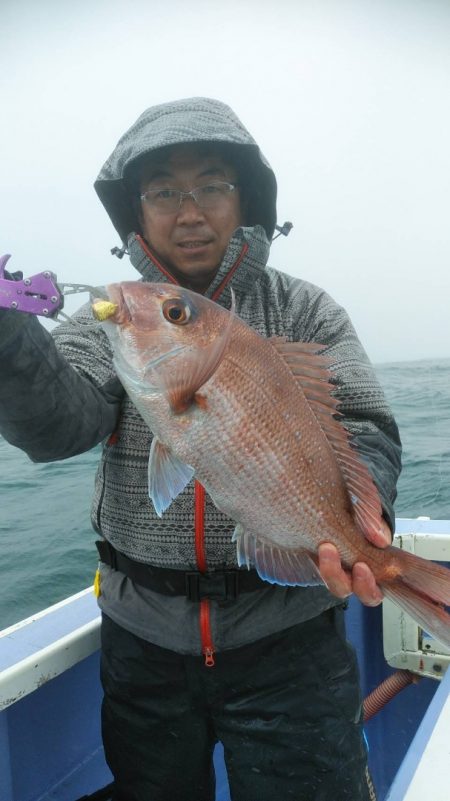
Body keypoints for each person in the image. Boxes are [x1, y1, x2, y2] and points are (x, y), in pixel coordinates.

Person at [0, 97, 401, 801]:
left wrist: (365, 527)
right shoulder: (116, 319)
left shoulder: (305, 310)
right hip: (143, 644)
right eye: (164, 190)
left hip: (291, 644)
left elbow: (364, 424)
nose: (190, 211)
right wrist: (6, 332)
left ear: (244, 198)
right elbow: (57, 423)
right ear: (136, 207)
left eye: (212, 184)